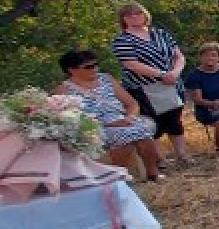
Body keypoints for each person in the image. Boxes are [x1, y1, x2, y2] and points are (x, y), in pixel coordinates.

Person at [58, 50, 162, 181]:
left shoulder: (106, 79)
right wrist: (108, 124)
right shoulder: (63, 90)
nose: (95, 69)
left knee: (143, 132)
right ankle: (119, 177)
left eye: (96, 65)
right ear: (71, 70)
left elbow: (132, 104)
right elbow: (69, 119)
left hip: (120, 119)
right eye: (88, 67)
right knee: (123, 139)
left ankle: (152, 173)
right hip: (93, 125)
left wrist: (130, 117)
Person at [110, 2, 188, 165]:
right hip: (144, 88)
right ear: (123, 19)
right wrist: (161, 74)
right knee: (153, 123)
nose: (134, 17)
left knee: (174, 120)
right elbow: (131, 64)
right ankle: (158, 159)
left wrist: (174, 73)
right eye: (129, 15)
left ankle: (182, 155)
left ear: (145, 14)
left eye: (138, 13)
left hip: (172, 84)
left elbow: (179, 56)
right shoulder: (122, 40)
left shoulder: (160, 34)